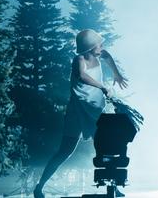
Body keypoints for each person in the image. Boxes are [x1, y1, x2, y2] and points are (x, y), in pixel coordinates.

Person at [33, 30, 128, 198]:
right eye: (99, 44)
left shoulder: (100, 54)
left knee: (107, 147)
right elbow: (81, 75)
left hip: (96, 109)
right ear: (90, 47)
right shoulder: (79, 60)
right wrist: (102, 86)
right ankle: (39, 187)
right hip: (77, 111)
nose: (102, 47)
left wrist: (117, 74)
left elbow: (107, 56)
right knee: (65, 151)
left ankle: (114, 186)